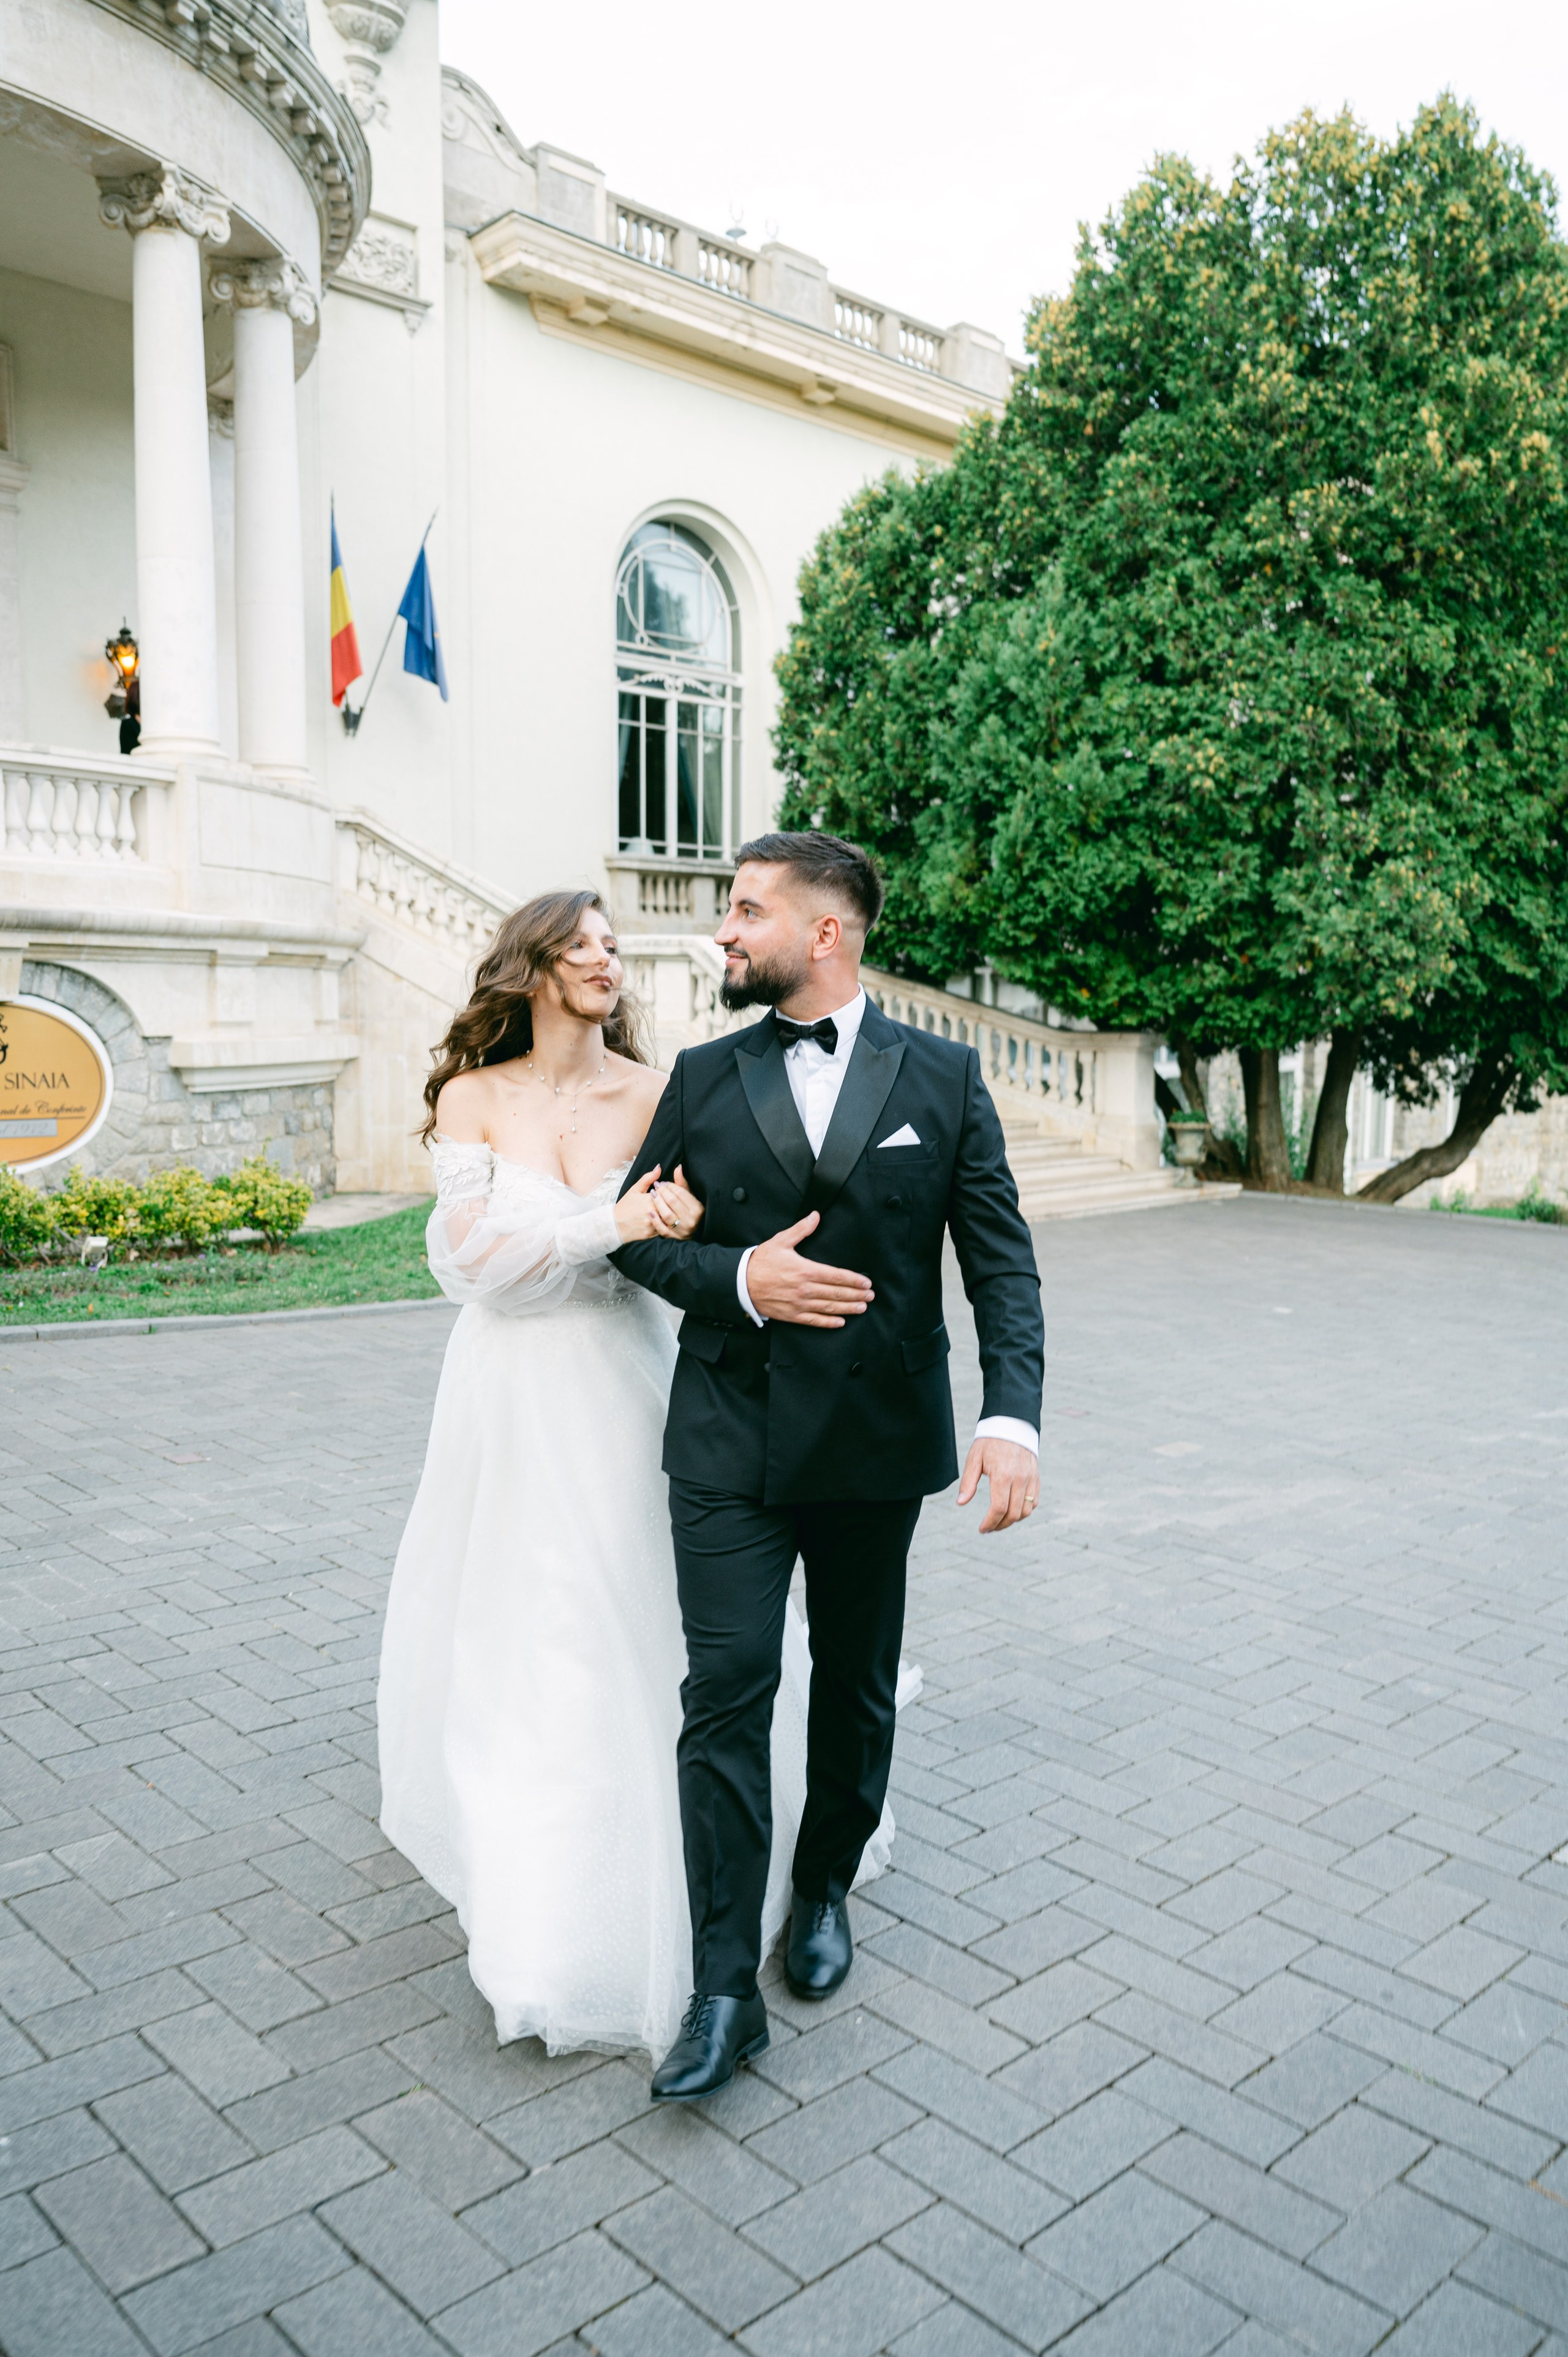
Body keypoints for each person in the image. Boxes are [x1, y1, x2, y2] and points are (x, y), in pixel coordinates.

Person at [375, 888, 911, 2059]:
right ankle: (550, 1905)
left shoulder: (657, 1092)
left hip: (636, 1386)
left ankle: (734, 1873)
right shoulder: (473, 1097)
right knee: (535, 1634)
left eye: (613, 945)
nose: (603, 957)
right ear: (530, 965)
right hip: (512, 1398)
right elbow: (473, 1266)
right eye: (581, 942)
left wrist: (687, 1244)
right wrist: (605, 1225)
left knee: (669, 1631)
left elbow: (690, 1242)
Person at [612, 831, 1045, 2103]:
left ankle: (821, 1887)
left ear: (826, 934)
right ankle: (720, 1989)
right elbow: (633, 1236)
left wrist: (1009, 1417)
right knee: (728, 1688)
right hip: (726, 1443)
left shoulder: (945, 1077)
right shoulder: (699, 1074)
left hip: (872, 1445)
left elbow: (1000, 1262)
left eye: (745, 911)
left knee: (852, 1686)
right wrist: (742, 1277)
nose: (723, 932)